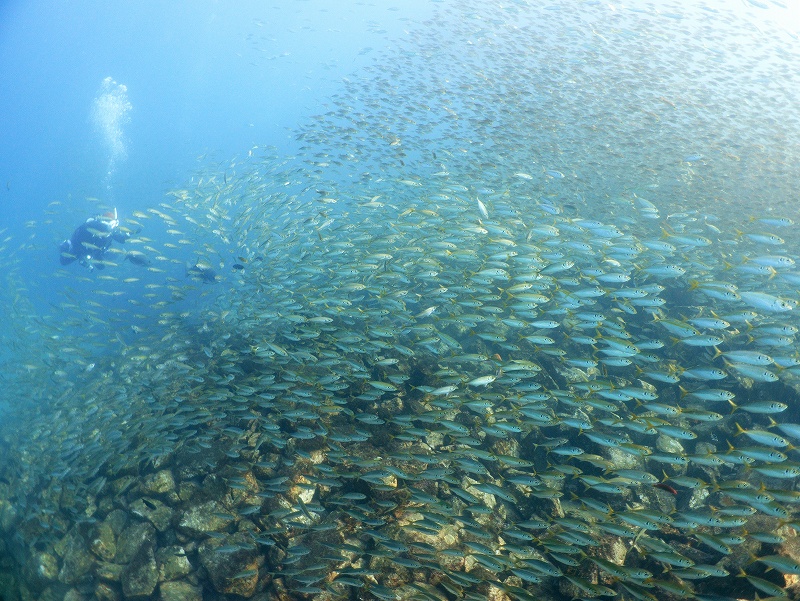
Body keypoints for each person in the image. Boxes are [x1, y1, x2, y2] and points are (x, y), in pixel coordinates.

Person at [59, 209, 131, 269]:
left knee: (103, 266)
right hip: (79, 247)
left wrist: (128, 235)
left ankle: (84, 260)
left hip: (95, 251)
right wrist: (108, 227)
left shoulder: (111, 231)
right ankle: (66, 245)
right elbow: (92, 226)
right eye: (111, 224)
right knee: (64, 262)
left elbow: (121, 240)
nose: (112, 226)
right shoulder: (95, 224)